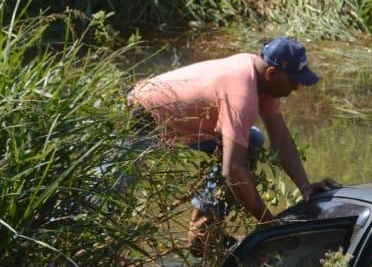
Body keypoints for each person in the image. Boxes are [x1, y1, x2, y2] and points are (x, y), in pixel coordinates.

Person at [128, 37, 340, 250]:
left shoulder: (261, 78)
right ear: (272, 74)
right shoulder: (242, 94)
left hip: (181, 123)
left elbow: (281, 139)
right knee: (114, 194)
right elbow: (233, 170)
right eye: (293, 81)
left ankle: (202, 231)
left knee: (252, 140)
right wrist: (268, 224)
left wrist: (305, 186)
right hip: (140, 118)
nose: (296, 88)